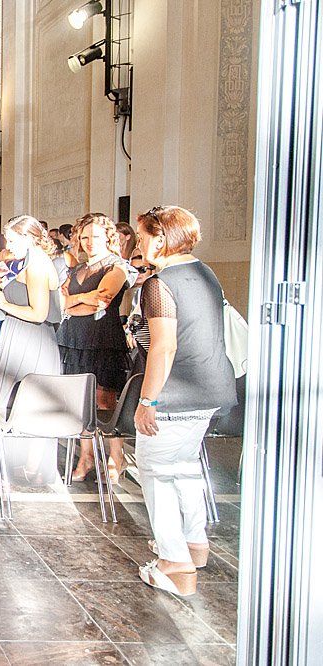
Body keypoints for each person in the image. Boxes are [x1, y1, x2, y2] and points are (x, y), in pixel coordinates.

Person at [133, 205, 236, 597]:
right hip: (211, 387)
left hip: (176, 393)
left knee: (157, 474)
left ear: (160, 238)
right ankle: (195, 543)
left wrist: (148, 401)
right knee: (186, 468)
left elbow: (164, 347)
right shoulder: (205, 272)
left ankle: (174, 563)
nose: (139, 244)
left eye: (142, 237)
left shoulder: (159, 284)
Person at [0, 215, 63, 485]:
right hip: (20, 335)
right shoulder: (30, 261)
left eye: (12, 240)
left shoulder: (38, 264)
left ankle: (22, 466)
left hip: (31, 340)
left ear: (29, 237)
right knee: (14, 402)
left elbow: (39, 313)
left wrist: (3, 303)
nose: (8, 245)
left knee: (22, 403)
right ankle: (15, 465)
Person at [58, 213, 131, 483]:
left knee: (104, 400)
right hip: (75, 339)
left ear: (108, 238)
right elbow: (61, 303)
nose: (90, 242)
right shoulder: (76, 269)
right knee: (80, 400)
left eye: (96, 237)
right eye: (85, 237)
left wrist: (74, 302)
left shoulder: (117, 266)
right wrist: (82, 300)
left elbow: (103, 301)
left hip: (104, 337)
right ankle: (86, 456)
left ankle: (116, 457)